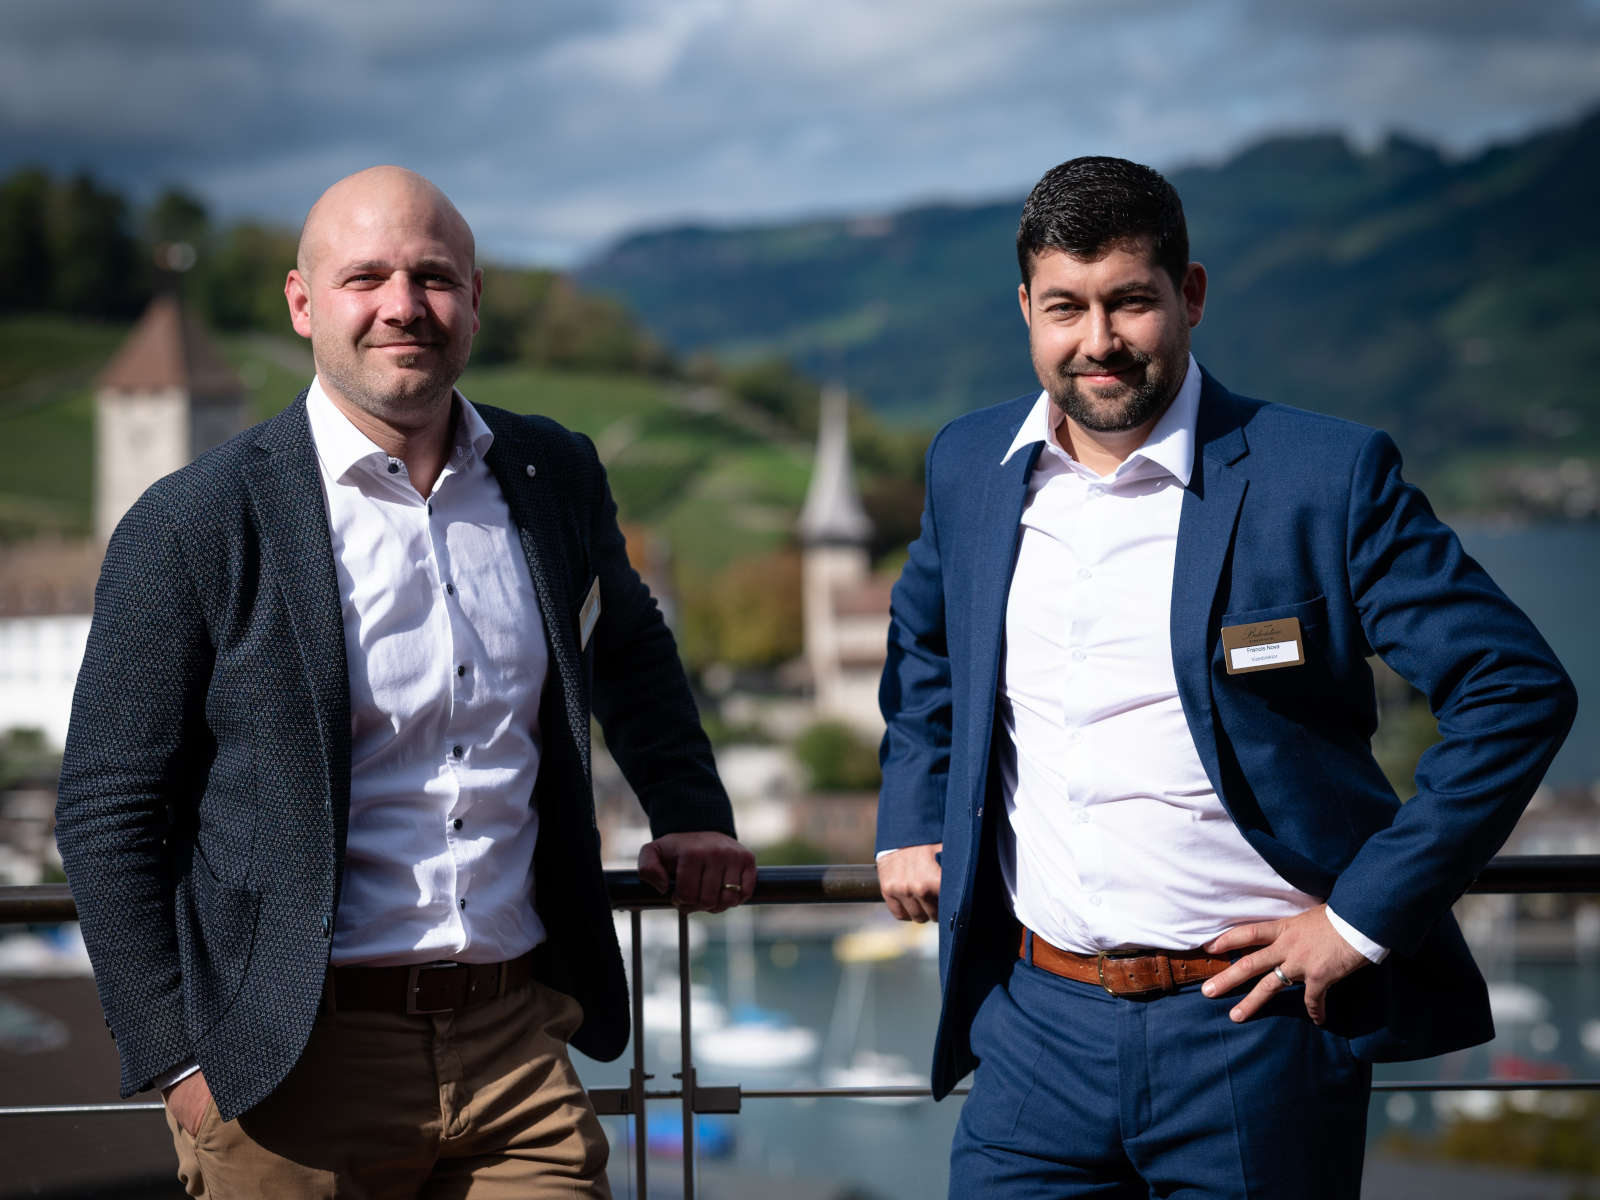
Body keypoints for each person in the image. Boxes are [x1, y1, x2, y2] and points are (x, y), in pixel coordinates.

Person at [874, 156, 1576, 1198]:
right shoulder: (969, 464)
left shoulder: (1322, 477)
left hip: (1254, 1032)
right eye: (1065, 307)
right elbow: (927, 645)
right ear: (1025, 308)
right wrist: (909, 812)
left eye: (1130, 301)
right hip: (1032, 1025)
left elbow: (1514, 689)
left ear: (1190, 295)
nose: (1097, 341)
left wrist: (1358, 921)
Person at [56, 165, 755, 1198]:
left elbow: (630, 648)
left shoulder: (551, 472)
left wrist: (690, 809)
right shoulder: (195, 520)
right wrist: (178, 1063)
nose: (403, 306)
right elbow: (106, 807)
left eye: (432, 277)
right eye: (365, 278)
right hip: (291, 1070)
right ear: (303, 304)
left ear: (474, 297)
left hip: (518, 1047)